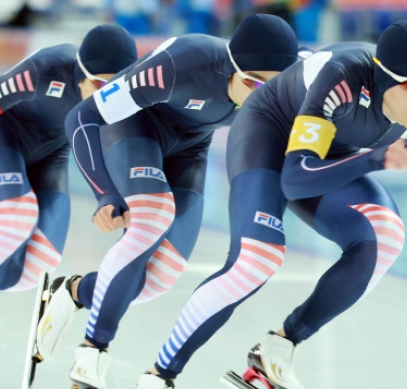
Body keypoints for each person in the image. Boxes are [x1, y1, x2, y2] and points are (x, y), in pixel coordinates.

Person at [137, 19, 407, 388]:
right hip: (269, 135)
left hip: (326, 151)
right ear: (382, 79)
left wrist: (372, 156)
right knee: (255, 261)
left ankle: (277, 347)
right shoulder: (341, 80)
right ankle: (159, 376)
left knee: (385, 236)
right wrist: (375, 159)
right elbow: (295, 179)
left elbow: (327, 161)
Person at [33, 14, 299, 389]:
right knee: (154, 218)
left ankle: (73, 292)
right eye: (253, 83)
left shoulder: (295, 77)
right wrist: (105, 193)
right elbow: (82, 117)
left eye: (273, 89)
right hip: (134, 130)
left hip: (191, 148)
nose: (262, 96)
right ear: (232, 67)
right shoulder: (180, 64)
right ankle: (90, 356)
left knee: (159, 278)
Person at [0, 24, 137, 381]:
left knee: (33, 268)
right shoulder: (42, 71)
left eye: (115, 89)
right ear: (80, 72)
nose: (104, 98)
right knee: (15, 221)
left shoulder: (126, 92)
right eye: (98, 85)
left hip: (51, 155)